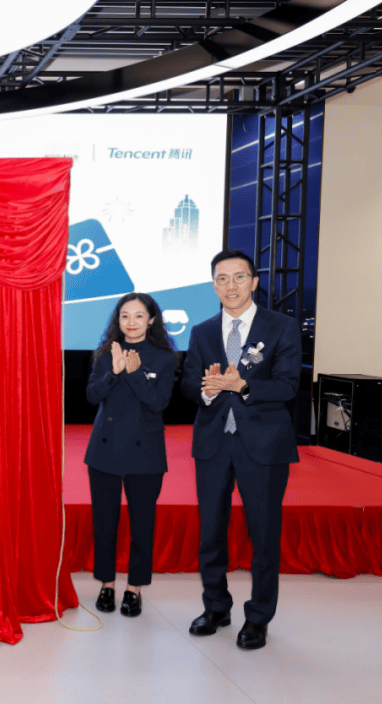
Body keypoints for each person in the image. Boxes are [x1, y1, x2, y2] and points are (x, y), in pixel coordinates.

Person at [182, 249, 300, 651]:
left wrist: (243, 386)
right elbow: (188, 385)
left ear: (254, 281)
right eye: (222, 278)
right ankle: (216, 607)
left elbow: (288, 385)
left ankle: (258, 617)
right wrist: (208, 389)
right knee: (211, 533)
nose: (230, 285)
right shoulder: (201, 331)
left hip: (263, 446)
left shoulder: (281, 327)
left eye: (239, 277)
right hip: (213, 444)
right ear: (213, 285)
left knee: (263, 535)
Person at [84, 292, 178, 618]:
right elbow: (92, 395)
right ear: (118, 319)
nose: (131, 322)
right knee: (104, 524)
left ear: (151, 320)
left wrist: (134, 373)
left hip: (145, 454)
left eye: (139, 316)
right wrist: (113, 372)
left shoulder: (164, 358)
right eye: (125, 315)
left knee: (142, 525)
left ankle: (134, 588)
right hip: (104, 451)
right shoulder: (105, 353)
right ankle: (106, 584)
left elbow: (158, 403)